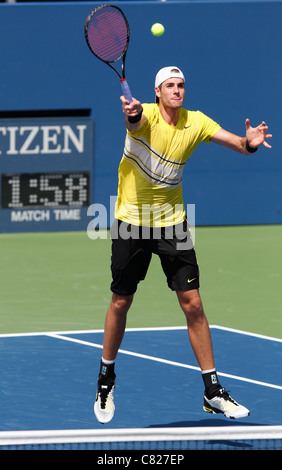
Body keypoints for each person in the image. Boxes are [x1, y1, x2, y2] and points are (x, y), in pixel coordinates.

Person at [94, 66, 272, 424]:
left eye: (181, 85)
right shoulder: (143, 114)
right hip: (132, 221)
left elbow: (239, 144)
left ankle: (213, 391)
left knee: (193, 303)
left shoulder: (197, 122)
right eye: (170, 86)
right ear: (157, 92)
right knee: (121, 301)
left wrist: (249, 143)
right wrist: (131, 116)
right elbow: (134, 123)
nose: (177, 90)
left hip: (172, 223)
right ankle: (106, 379)